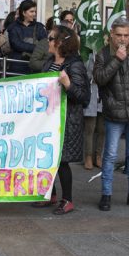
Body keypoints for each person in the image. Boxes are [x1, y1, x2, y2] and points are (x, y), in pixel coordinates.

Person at [93, 17, 129, 212]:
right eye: (119, 35)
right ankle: (106, 194)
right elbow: (100, 79)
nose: (123, 39)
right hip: (114, 111)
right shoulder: (103, 54)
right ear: (111, 34)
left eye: (126, 35)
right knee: (109, 154)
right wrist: (117, 59)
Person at [31, 26, 90, 214]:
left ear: (60, 43)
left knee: (62, 161)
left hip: (66, 119)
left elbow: (82, 97)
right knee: (47, 157)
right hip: (48, 118)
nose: (47, 41)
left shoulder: (75, 65)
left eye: (51, 38)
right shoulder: (49, 62)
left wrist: (68, 85)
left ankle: (67, 199)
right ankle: (51, 194)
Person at [7, 0, 47, 74]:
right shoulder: (13, 27)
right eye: (31, 11)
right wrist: (36, 47)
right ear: (24, 13)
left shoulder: (39, 27)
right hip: (17, 66)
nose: (34, 14)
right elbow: (16, 44)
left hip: (34, 66)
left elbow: (44, 44)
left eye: (35, 11)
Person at [83, 51, 103, 170]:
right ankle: (88, 156)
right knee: (90, 127)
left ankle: (99, 155)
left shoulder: (108, 52)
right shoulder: (88, 54)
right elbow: (85, 73)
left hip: (104, 93)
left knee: (102, 128)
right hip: (91, 92)